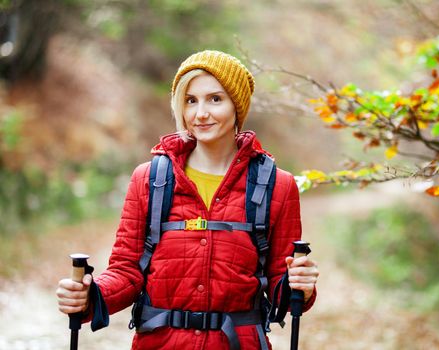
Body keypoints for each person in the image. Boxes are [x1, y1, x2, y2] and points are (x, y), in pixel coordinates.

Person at [56, 50, 319, 350]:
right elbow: (127, 270)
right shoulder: (150, 179)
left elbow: (281, 288)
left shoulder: (277, 185)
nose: (200, 113)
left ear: (238, 104)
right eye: (190, 100)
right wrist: (90, 296)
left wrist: (302, 287)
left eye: (215, 99)